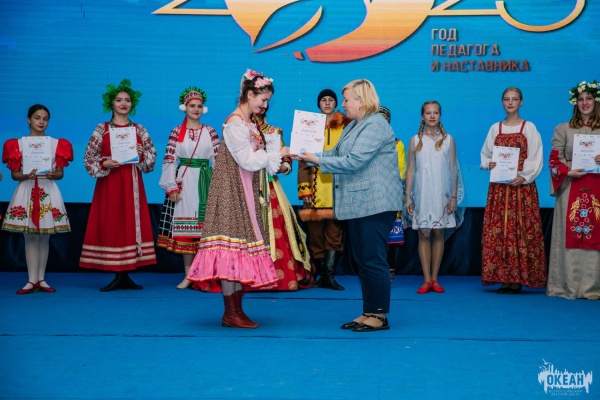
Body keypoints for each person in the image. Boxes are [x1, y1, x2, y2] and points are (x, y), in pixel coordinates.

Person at [297, 79, 403, 332]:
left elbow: (354, 161)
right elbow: (336, 154)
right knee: (364, 261)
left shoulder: (375, 125)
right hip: (360, 204)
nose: (342, 104)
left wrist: (316, 161)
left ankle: (379, 316)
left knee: (373, 260)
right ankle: (369, 311)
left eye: (346, 99)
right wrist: (308, 155)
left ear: (362, 101)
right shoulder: (356, 124)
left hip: (375, 204)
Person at [186, 69, 284, 328]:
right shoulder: (235, 123)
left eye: (267, 101)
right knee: (231, 250)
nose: (265, 105)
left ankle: (236, 310)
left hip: (243, 189)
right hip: (231, 191)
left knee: (239, 250)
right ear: (250, 95)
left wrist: (278, 156)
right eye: (263, 99)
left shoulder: (247, 122)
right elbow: (247, 160)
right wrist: (275, 155)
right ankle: (231, 312)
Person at [80, 79, 157, 291]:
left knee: (130, 223)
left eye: (127, 100)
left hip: (132, 183)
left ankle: (126, 273)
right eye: (119, 100)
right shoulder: (102, 129)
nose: (123, 103)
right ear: (111, 103)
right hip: (110, 183)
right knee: (113, 223)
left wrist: (142, 154)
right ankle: (116, 272)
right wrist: (104, 163)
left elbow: (151, 158)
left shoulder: (139, 129)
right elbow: (88, 157)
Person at [480, 87, 547, 294]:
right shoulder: (495, 128)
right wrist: (489, 164)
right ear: (502, 102)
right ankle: (504, 278)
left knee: (520, 230)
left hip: (521, 189)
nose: (510, 103)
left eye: (514, 99)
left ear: (521, 102)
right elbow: (485, 154)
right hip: (500, 190)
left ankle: (518, 278)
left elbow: (536, 156)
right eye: (507, 99)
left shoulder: (529, 128)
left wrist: (524, 177)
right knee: (500, 231)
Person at [2, 104, 73, 294]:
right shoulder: (18, 144)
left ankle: (41, 279)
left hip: (47, 189)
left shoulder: (56, 144)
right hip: (26, 189)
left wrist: (53, 174)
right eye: (37, 117)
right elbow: (15, 175)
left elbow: (60, 173)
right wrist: (26, 175)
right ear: (28, 119)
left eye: (45, 118)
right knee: (30, 237)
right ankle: (31, 279)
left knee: (44, 237)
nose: (41, 122)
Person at [157, 87, 220, 289]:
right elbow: (169, 159)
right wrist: (171, 186)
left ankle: (205, 272)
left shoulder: (210, 131)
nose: (196, 109)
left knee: (205, 230)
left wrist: (219, 186)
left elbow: (218, 160)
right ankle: (189, 274)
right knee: (186, 229)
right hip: (184, 182)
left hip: (205, 181)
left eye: (199, 106)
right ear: (184, 108)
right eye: (192, 105)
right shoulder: (177, 132)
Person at [547, 79, 600, 300]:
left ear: (596, 101)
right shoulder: (563, 129)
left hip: (598, 191)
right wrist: (567, 172)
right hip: (570, 189)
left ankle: (594, 287)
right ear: (574, 102)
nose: (585, 103)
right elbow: (554, 159)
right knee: (569, 236)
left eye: (589, 98)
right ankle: (565, 285)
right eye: (580, 99)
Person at [405, 100, 463, 294]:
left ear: (440, 115)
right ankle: (426, 279)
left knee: (438, 234)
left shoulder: (449, 140)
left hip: (441, 195)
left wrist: (453, 197)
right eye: (428, 113)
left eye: (435, 112)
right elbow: (410, 170)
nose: (432, 116)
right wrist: (408, 197)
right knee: (423, 234)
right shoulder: (415, 140)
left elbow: (453, 170)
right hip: (422, 195)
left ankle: (435, 278)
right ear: (422, 116)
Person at [251, 109, 313, 290]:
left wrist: (283, 167)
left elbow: (286, 160)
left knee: (276, 226)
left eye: (264, 102)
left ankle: (279, 274)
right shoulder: (240, 130)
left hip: (270, 186)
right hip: (247, 184)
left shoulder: (274, 131)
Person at [297, 88, 351, 290]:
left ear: (336, 103)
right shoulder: (309, 127)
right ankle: (321, 275)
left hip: (338, 188)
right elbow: (303, 160)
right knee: (316, 236)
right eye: (323, 100)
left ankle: (329, 275)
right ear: (318, 104)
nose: (327, 103)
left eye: (331, 99)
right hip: (315, 188)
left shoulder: (348, 126)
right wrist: (305, 190)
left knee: (335, 235)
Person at [379, 106, 407, 282]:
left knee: (390, 235)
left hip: (390, 195)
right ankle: (376, 269)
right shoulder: (367, 143)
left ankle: (389, 269)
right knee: (374, 234)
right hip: (372, 196)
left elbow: (401, 172)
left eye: (385, 120)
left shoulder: (397, 144)